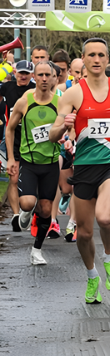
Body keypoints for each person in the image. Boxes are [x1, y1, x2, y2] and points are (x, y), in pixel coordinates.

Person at [49, 38, 110, 304]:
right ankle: (92, 276)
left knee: (104, 218)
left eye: (102, 55)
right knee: (85, 233)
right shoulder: (73, 94)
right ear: (84, 58)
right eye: (92, 55)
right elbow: (54, 134)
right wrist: (64, 124)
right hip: (84, 166)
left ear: (107, 59)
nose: (97, 60)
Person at [5, 61, 61, 263]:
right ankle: (27, 212)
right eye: (41, 75)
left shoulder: (60, 103)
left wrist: (65, 137)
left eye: (49, 75)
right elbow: (10, 128)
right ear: (34, 77)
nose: (45, 79)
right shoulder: (25, 101)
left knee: (46, 210)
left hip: (51, 163)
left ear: (54, 77)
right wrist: (11, 158)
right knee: (27, 203)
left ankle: (37, 250)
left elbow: (69, 129)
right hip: (29, 162)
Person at [2, 60, 36, 226]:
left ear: (32, 75)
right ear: (15, 72)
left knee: (34, 178)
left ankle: (29, 210)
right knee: (13, 178)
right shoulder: (7, 87)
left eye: (26, 73)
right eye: (20, 72)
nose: (23, 76)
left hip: (33, 139)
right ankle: (16, 215)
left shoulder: (36, 90)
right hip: (13, 136)